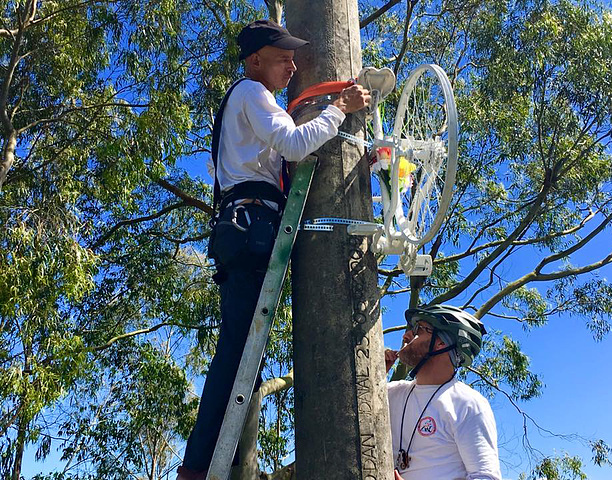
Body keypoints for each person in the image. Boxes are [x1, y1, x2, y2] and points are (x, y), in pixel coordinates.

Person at [177, 19, 370, 480]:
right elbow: (294, 143)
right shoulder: (251, 92)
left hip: (245, 226)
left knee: (242, 351)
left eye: (293, 56)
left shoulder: (249, 99)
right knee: (237, 353)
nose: (293, 65)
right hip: (251, 223)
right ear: (254, 60)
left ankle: (201, 464)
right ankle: (198, 468)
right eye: (283, 57)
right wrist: (339, 107)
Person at [384, 304, 501, 480]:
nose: (406, 336)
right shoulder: (390, 393)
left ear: (440, 343)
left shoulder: (466, 404)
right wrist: (371, 378)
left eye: (418, 330)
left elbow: (486, 477)